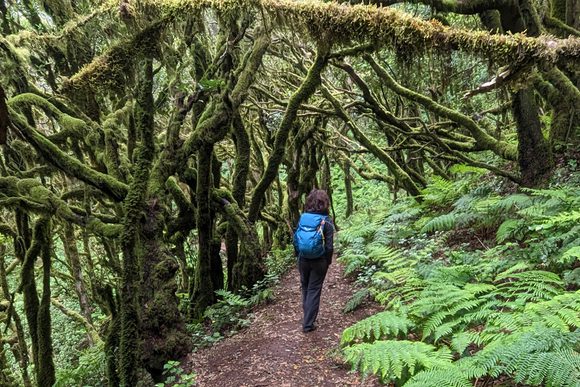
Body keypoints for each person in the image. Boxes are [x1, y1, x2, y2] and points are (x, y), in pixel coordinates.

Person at [294, 189, 334, 333]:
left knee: (305, 287)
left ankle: (307, 317)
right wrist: (328, 261)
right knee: (314, 289)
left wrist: (298, 255)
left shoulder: (303, 218)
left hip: (303, 259)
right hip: (319, 261)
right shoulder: (326, 221)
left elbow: (296, 238)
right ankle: (308, 324)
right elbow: (329, 246)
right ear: (325, 203)